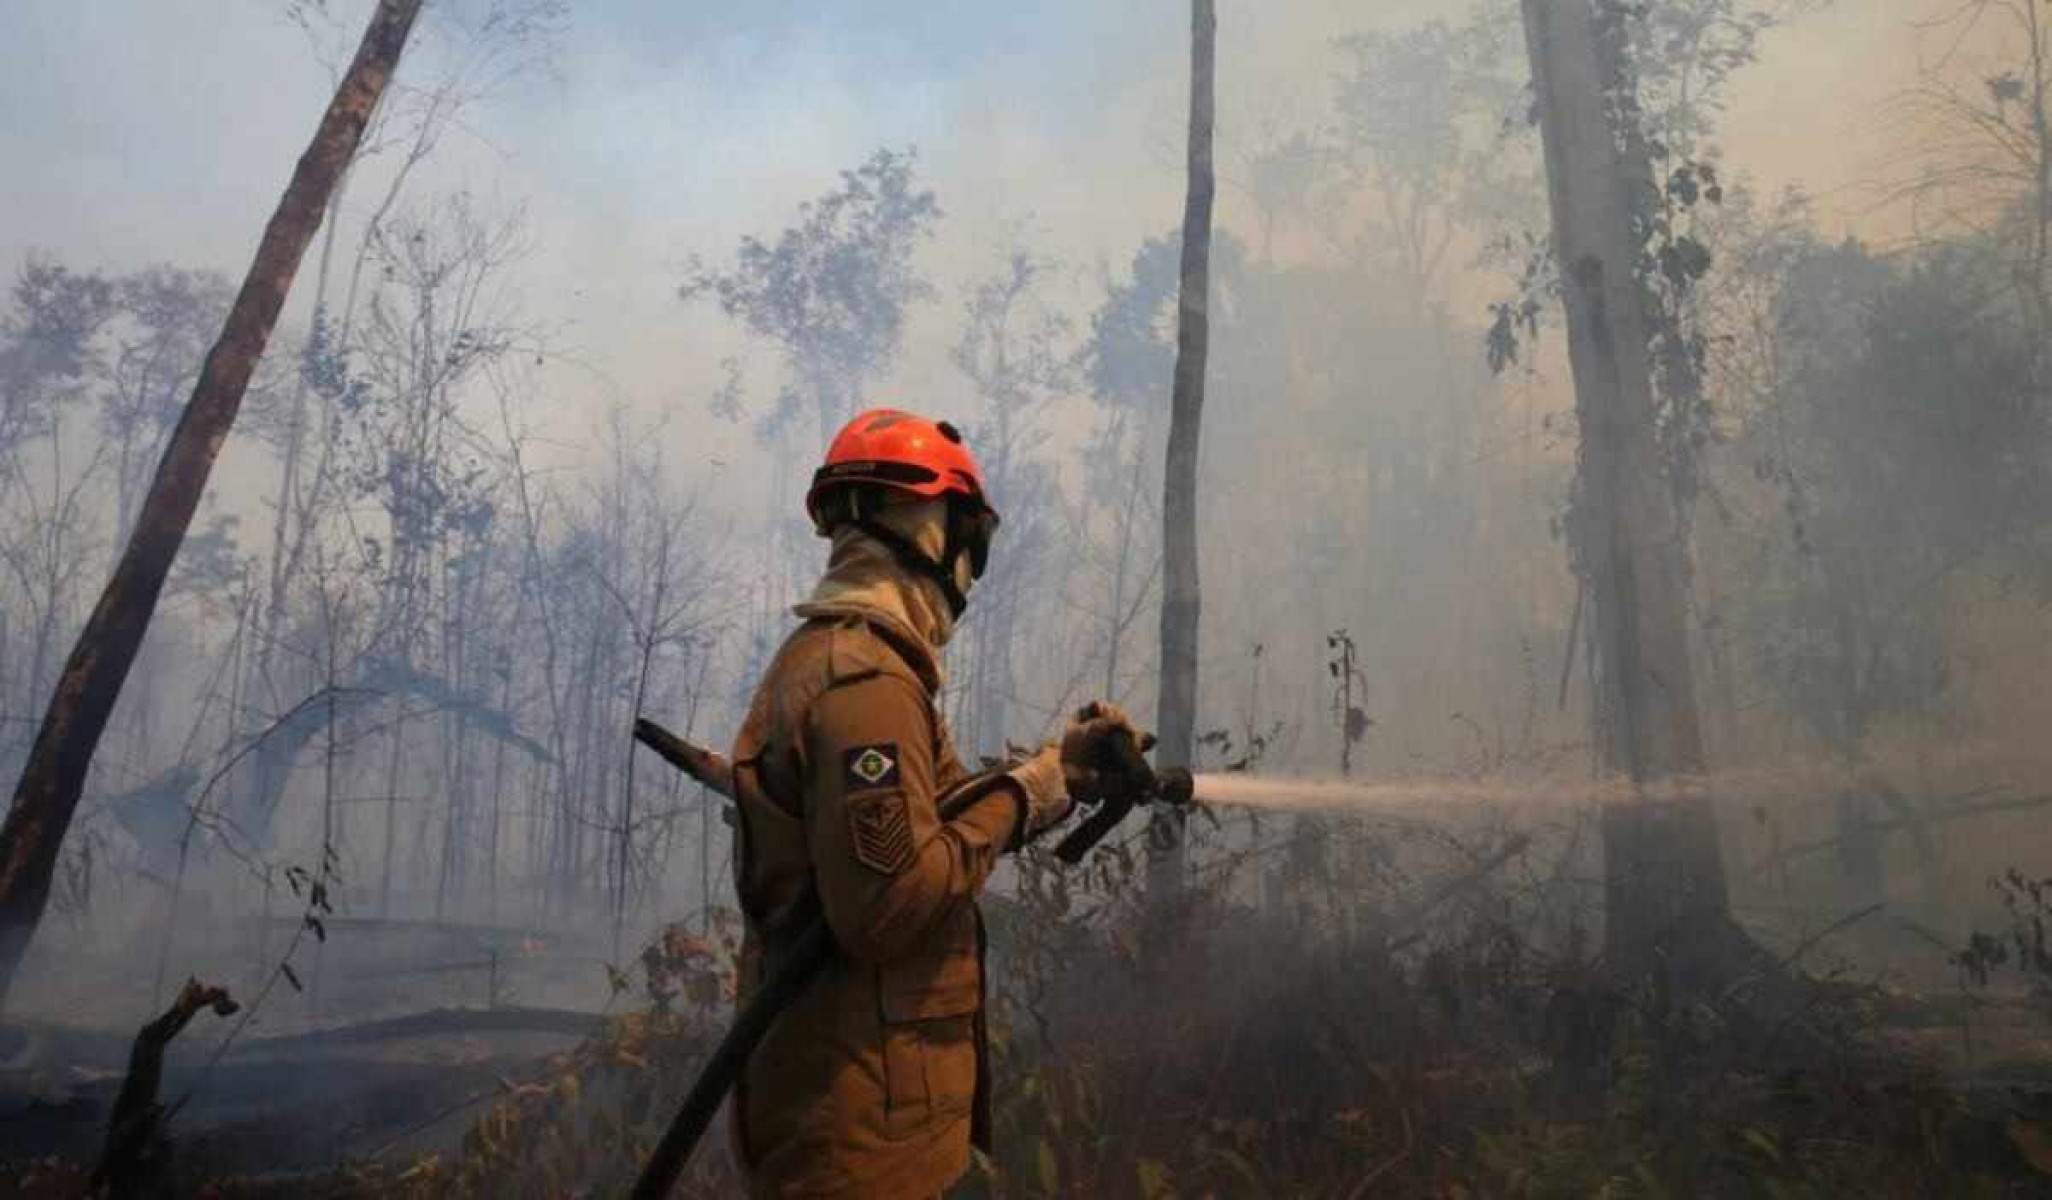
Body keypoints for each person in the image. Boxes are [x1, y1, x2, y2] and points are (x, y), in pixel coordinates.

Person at [726, 407, 1136, 1198]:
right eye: (968, 540)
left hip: (868, 1115)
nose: (970, 569)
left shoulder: (847, 663)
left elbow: (937, 817)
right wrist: (1025, 793)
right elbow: (889, 906)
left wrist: (1060, 771)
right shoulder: (867, 686)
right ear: (930, 532)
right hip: (862, 1132)